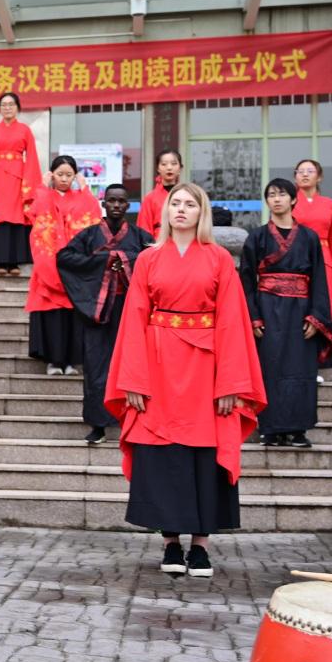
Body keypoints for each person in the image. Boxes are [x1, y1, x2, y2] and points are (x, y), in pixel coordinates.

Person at [105, 182, 265, 579]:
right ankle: (171, 542)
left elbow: (232, 321)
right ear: (166, 212)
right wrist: (133, 380)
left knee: (204, 453)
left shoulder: (219, 258)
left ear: (201, 212)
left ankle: (201, 546)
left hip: (206, 369)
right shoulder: (148, 258)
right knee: (162, 455)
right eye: (175, 203)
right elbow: (133, 320)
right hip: (157, 365)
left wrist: (231, 384)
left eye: (189, 204)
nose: (180, 209)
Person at [57, 184, 153, 445]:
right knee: (96, 364)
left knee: (131, 363)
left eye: (121, 201)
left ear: (128, 206)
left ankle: (132, 419)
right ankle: (98, 424)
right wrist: (105, 261)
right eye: (111, 200)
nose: (116, 205)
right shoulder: (89, 235)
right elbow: (64, 258)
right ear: (104, 203)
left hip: (130, 308)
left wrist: (125, 259)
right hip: (98, 310)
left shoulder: (139, 235)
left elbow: (155, 258)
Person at [240, 178, 332, 448]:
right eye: (271, 195)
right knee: (269, 369)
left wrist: (316, 316)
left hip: (301, 312)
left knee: (300, 370)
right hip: (267, 311)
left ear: (293, 199)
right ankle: (270, 429)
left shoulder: (309, 237)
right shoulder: (256, 237)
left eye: (282, 194)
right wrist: (253, 317)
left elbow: (319, 279)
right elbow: (246, 281)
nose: (276, 199)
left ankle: (298, 430)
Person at [26, 155, 101, 375]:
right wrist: (43, 186)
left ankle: (70, 361)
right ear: (52, 175)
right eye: (60, 174)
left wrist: (85, 188)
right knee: (52, 315)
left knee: (71, 317)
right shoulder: (45, 195)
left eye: (69, 175)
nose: (64, 179)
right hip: (48, 263)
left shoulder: (81, 197)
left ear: (75, 176)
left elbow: (93, 218)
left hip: (73, 266)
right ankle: (53, 361)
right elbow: (36, 217)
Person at [0, 93, 40, 275]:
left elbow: (32, 158)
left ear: (17, 107)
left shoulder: (25, 130)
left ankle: (14, 263)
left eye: (11, 104)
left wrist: (29, 183)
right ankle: (0, 262)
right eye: (4, 105)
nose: (7, 108)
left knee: (17, 215)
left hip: (18, 178)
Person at [292, 158, 332, 369]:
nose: (304, 174)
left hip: (324, 258)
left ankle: (324, 358)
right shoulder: (289, 202)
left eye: (310, 171)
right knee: (300, 306)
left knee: (325, 306)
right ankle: (301, 358)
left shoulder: (329, 204)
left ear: (319, 177)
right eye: (300, 171)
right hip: (297, 260)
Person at [135, 150, 182, 238]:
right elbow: (143, 230)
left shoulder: (187, 196)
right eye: (164, 164)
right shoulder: (150, 198)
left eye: (174, 164)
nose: (169, 168)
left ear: (180, 168)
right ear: (158, 169)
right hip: (158, 242)